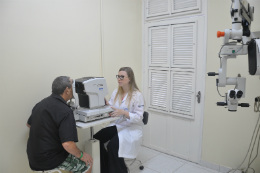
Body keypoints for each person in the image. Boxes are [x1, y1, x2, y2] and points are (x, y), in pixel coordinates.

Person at [26, 76, 93, 173]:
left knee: (73, 156)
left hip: (33, 157)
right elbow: (67, 144)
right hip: (49, 159)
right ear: (67, 90)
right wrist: (82, 155)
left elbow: (29, 124)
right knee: (87, 164)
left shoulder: (40, 104)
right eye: (72, 87)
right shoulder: (65, 111)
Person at [93, 67, 145, 173]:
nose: (119, 79)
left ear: (129, 78)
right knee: (96, 139)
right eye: (118, 76)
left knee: (113, 146)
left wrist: (124, 113)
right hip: (119, 124)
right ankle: (105, 168)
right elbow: (113, 106)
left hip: (131, 128)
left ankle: (120, 170)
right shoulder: (116, 92)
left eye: (122, 77)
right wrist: (107, 104)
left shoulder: (137, 95)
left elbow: (139, 117)